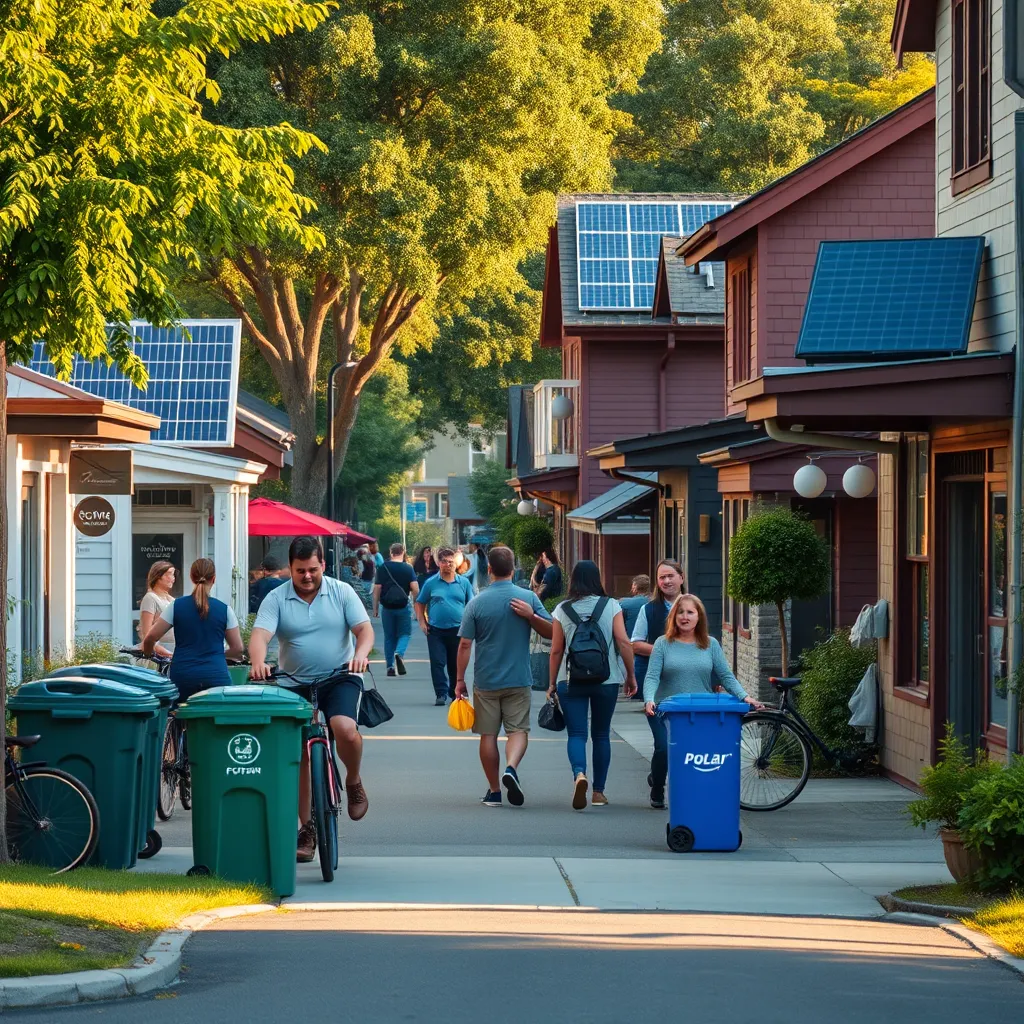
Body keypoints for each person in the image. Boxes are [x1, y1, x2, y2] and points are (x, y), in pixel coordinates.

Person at [249, 535, 375, 862]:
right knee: (300, 754)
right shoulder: (277, 597)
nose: (307, 576)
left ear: (323, 564)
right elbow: (260, 635)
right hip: (293, 682)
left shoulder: (341, 592)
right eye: (300, 570)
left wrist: (361, 654)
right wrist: (259, 662)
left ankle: (353, 779)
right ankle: (306, 828)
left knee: (344, 727)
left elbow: (364, 630)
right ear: (290, 568)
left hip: (340, 676)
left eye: (313, 570)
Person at [643, 593, 764, 809]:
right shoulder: (663, 644)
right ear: (673, 616)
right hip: (665, 708)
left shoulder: (711, 644)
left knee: (692, 753)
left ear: (699, 617)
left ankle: (691, 792)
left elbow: (726, 675)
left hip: (698, 711)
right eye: (680, 612)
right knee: (664, 748)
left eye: (690, 612)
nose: (685, 617)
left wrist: (745, 696)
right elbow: (652, 676)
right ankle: (658, 786)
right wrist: (649, 700)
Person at [454, 545, 552, 808]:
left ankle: (495, 791)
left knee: (488, 735)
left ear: (489, 569)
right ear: (512, 568)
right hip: (519, 677)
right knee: (518, 730)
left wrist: (460, 679)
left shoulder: (476, 602)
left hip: (486, 680)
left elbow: (464, 645)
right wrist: (530, 617)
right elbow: (553, 632)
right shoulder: (528, 598)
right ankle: (511, 767)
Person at [548, 560, 637, 809]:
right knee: (601, 734)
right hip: (606, 680)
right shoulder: (611, 606)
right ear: (598, 579)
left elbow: (556, 651)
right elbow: (623, 642)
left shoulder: (562, 609)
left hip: (571, 680)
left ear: (573, 580)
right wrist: (630, 675)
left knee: (576, 733)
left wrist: (552, 683)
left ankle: (579, 774)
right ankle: (598, 792)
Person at [143, 558, 244, 700]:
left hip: (183, 676)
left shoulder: (175, 606)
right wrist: (216, 654)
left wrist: (148, 654)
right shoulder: (225, 610)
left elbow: (150, 638)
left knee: (180, 716)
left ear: (191, 577)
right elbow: (237, 649)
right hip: (216, 675)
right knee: (217, 718)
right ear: (213, 579)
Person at [415, 547, 475, 705]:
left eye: (451, 562)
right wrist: (422, 622)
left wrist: (472, 626)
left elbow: (471, 605)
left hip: (458, 630)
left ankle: (454, 690)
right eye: (445, 562)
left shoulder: (463, 583)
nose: (448, 564)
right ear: (439, 563)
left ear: (455, 564)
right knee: (437, 662)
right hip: (436, 630)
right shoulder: (431, 583)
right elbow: (420, 602)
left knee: (455, 663)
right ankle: (440, 693)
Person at [630, 560, 685, 702]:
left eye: (670, 576)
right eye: (662, 577)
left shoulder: (694, 608)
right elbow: (636, 644)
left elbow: (705, 643)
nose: (666, 581)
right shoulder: (648, 610)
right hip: (658, 679)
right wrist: (665, 652)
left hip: (689, 676)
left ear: (681, 578)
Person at [374, 542, 419, 677]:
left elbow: (377, 589)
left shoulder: (383, 568)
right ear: (403, 552)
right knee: (405, 633)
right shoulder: (408, 569)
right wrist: (418, 606)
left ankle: (390, 667)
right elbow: (416, 589)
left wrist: (375, 607)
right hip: (403, 607)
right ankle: (399, 652)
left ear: (390, 552)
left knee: (389, 637)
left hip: (387, 607)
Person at [138, 561, 177, 658]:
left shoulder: (172, 600)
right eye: (169, 574)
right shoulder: (150, 598)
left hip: (175, 651)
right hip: (160, 655)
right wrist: (167, 654)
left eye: (173, 575)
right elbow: (146, 635)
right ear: (158, 576)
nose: (173, 579)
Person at [619, 574, 651, 640]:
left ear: (635, 587)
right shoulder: (658, 602)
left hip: (631, 643)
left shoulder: (624, 603)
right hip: (652, 644)